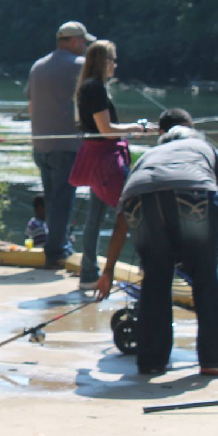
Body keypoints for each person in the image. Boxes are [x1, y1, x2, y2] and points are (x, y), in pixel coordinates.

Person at [95, 108, 218, 376]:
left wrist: (107, 271)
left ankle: (151, 361)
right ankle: (214, 360)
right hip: (194, 194)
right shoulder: (203, 147)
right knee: (206, 278)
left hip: (142, 198)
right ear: (193, 130)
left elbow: (120, 223)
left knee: (155, 281)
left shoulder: (149, 156)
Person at [68, 39, 150, 290]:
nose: (115, 64)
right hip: (107, 163)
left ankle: (88, 273)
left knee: (95, 217)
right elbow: (106, 129)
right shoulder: (95, 89)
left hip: (97, 159)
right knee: (136, 212)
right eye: (112, 59)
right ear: (103, 61)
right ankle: (150, 268)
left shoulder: (88, 87)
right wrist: (138, 128)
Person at [26, 21, 92, 268]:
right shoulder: (81, 66)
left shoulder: (38, 66)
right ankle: (56, 252)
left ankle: (56, 246)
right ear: (74, 41)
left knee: (53, 199)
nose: (85, 47)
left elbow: (32, 107)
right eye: (84, 42)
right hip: (66, 146)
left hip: (40, 145)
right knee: (63, 200)